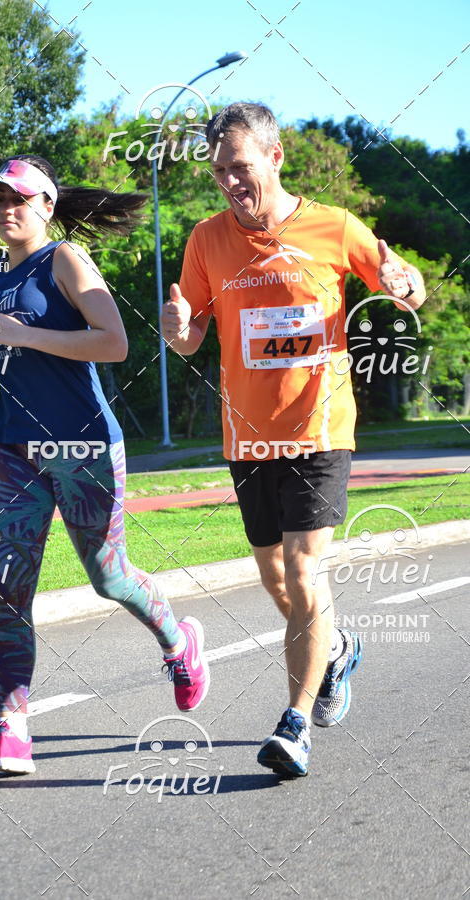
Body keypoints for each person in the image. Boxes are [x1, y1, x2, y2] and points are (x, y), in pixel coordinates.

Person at [161, 103, 426, 777]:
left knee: (306, 571)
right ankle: (336, 646)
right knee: (279, 581)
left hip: (319, 428)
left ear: (275, 158)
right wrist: (175, 327)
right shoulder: (206, 240)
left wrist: (405, 285)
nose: (228, 182)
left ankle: (295, 723)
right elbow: (191, 337)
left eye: (240, 167)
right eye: (219, 171)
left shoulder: (333, 226)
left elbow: (405, 288)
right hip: (247, 438)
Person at [0, 155, 210, 775]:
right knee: (9, 588)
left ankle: (179, 642)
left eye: (18, 198)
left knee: (108, 576)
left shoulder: (65, 259)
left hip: (83, 445)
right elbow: (21, 355)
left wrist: (20, 334)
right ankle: (11, 729)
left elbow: (114, 343)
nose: (5, 209)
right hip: (15, 446)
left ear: (46, 204)